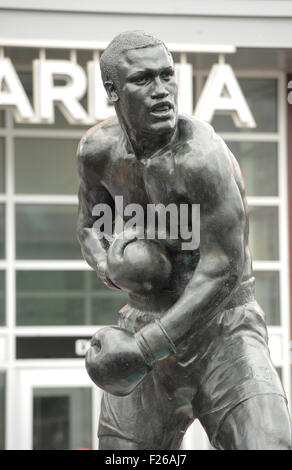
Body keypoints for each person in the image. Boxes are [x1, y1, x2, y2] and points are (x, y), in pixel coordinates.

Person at [77, 31, 292, 450]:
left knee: (266, 443)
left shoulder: (202, 156)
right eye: (143, 80)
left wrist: (145, 347)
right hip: (145, 318)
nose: (161, 92)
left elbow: (221, 268)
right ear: (112, 91)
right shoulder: (96, 152)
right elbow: (88, 225)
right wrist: (111, 265)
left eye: (167, 76)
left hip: (224, 329)